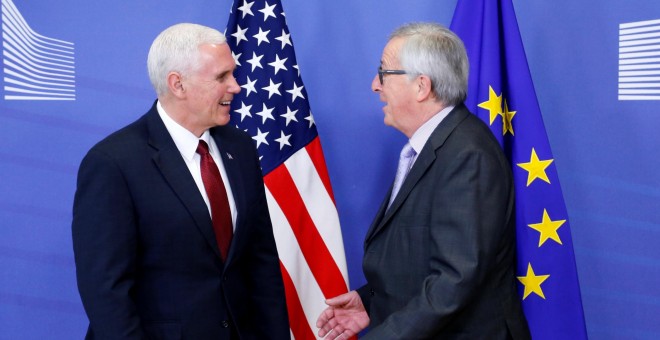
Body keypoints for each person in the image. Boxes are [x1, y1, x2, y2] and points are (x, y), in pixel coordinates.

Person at [72, 23, 290, 339]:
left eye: (233, 74)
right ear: (178, 84)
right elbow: (106, 291)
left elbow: (261, 261)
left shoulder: (239, 148)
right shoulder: (113, 162)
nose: (236, 87)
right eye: (221, 77)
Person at [316, 22, 531, 339]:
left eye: (384, 73)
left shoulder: (467, 156)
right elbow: (420, 258)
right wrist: (370, 302)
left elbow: (454, 280)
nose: (375, 85)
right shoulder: (434, 147)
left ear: (421, 86)